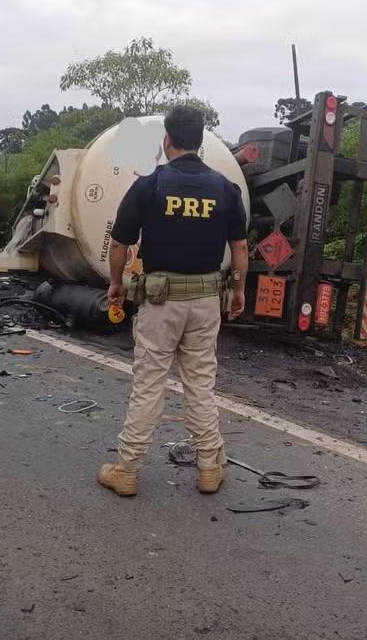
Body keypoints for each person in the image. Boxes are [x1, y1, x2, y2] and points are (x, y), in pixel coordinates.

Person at [98, 105, 249, 497]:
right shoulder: (225, 189)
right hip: (206, 301)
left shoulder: (149, 185)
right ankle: (210, 467)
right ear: (200, 141)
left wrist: (116, 283)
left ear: (167, 141)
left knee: (149, 384)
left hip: (160, 303)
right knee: (200, 384)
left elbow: (119, 242)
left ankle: (127, 469)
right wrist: (240, 291)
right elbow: (240, 246)